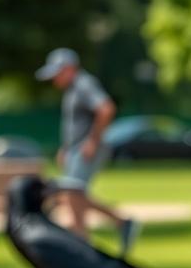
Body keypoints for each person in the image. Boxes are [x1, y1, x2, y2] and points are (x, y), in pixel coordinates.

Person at [35, 48, 138, 254]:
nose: (54, 80)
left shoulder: (84, 84)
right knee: (73, 196)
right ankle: (83, 243)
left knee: (72, 193)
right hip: (75, 150)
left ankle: (118, 223)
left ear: (69, 68)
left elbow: (106, 109)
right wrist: (66, 149)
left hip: (86, 149)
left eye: (57, 74)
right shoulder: (72, 89)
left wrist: (92, 141)